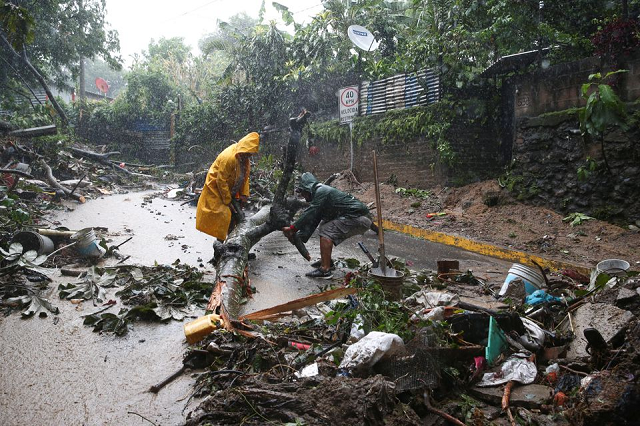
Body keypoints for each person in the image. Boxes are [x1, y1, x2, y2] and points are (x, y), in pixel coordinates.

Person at [282, 172, 372, 279]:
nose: (303, 196)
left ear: (308, 189)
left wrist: (292, 228)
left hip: (359, 218)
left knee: (326, 230)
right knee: (324, 225)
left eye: (303, 193)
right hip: (357, 217)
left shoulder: (321, 191)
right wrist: (299, 237)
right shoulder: (320, 193)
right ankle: (327, 261)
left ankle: (325, 269)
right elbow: (314, 219)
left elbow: (311, 211)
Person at [196, 132, 260, 241]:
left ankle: (234, 245)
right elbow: (221, 180)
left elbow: (245, 177)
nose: (248, 156)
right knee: (224, 215)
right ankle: (220, 248)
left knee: (236, 218)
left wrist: (244, 194)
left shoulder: (244, 158)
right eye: (247, 154)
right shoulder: (229, 158)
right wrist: (228, 200)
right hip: (216, 187)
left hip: (231, 188)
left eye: (250, 154)